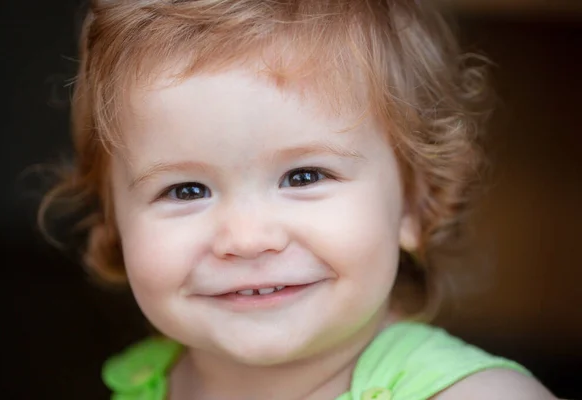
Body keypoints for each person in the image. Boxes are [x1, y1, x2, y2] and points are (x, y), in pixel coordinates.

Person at [39, 0, 558, 398]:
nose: (246, 239)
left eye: (304, 176)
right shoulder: (145, 382)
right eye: (186, 189)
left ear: (415, 205)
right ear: (113, 225)